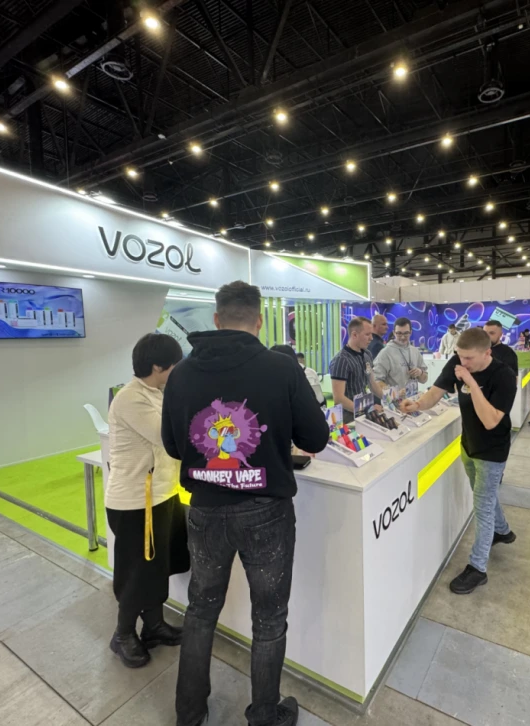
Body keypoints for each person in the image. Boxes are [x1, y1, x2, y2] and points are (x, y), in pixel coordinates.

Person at [163, 281, 329, 726]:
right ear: (258, 321)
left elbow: (174, 445)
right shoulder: (281, 368)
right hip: (266, 512)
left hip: (204, 508)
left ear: (217, 319)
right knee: (269, 619)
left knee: (201, 611)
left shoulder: (181, 373)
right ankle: (264, 715)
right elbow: (316, 437)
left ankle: (189, 714)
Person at [401, 328, 517, 594]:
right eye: (460, 356)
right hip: (468, 445)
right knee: (483, 494)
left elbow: (490, 421)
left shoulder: (503, 375)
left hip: (492, 451)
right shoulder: (458, 362)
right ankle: (502, 531)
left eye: (469, 358)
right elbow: (435, 392)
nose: (463, 362)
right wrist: (417, 405)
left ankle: (478, 568)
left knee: (482, 506)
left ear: (487, 353)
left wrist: (471, 383)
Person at [106, 333, 188, 668]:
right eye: (175, 365)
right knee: (136, 572)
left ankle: (153, 626)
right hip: (134, 504)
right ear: (157, 366)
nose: (178, 371)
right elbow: (166, 436)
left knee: (158, 567)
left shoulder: (156, 393)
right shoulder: (131, 398)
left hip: (162, 496)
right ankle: (123, 634)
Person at [329, 316, 382, 422]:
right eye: (367, 334)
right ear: (354, 335)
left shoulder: (367, 354)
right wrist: (367, 410)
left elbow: (372, 384)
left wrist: (389, 400)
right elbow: (338, 398)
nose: (371, 338)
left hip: (364, 414)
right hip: (348, 419)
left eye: (371, 334)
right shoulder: (341, 360)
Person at [374, 317, 428, 388]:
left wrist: (420, 372)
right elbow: (376, 381)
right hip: (394, 395)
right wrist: (394, 392)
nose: (402, 337)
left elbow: (424, 379)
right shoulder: (385, 353)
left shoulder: (415, 351)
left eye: (406, 333)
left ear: (410, 332)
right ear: (394, 333)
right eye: (399, 333)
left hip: (413, 394)